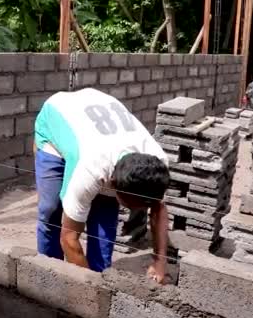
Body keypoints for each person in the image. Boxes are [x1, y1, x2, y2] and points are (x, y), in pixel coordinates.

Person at [33, 87, 170, 283]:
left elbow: (158, 209)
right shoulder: (90, 169)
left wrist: (159, 261)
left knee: (104, 228)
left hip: (98, 118)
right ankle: (47, 276)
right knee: (51, 211)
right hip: (56, 122)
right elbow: (69, 239)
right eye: (132, 205)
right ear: (113, 184)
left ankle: (100, 275)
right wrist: (90, 289)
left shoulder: (157, 162)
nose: (138, 210)